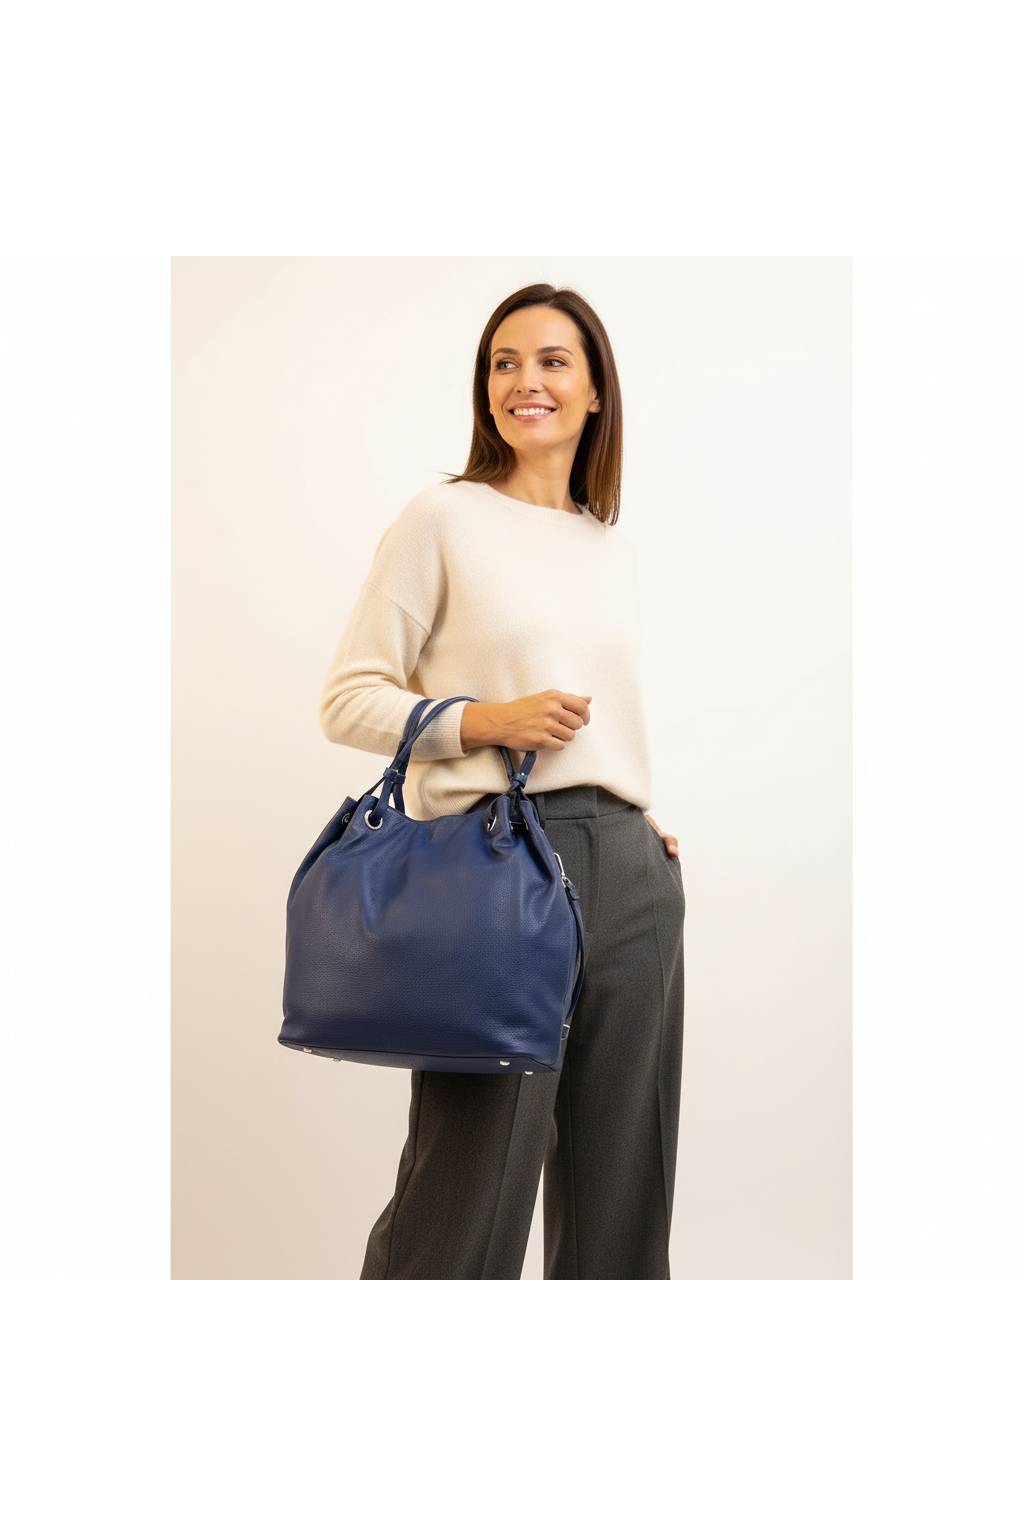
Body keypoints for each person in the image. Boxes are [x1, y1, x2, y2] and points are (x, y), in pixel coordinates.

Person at [319, 282, 686, 1279]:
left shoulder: (611, 547)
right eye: (504, 363)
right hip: (494, 867)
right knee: (467, 1185)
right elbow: (347, 699)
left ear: (596, 389)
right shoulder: (442, 519)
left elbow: (606, 712)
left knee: (626, 1189)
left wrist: (636, 811)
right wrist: (484, 721)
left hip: (630, 872)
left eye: (553, 361)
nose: (527, 381)